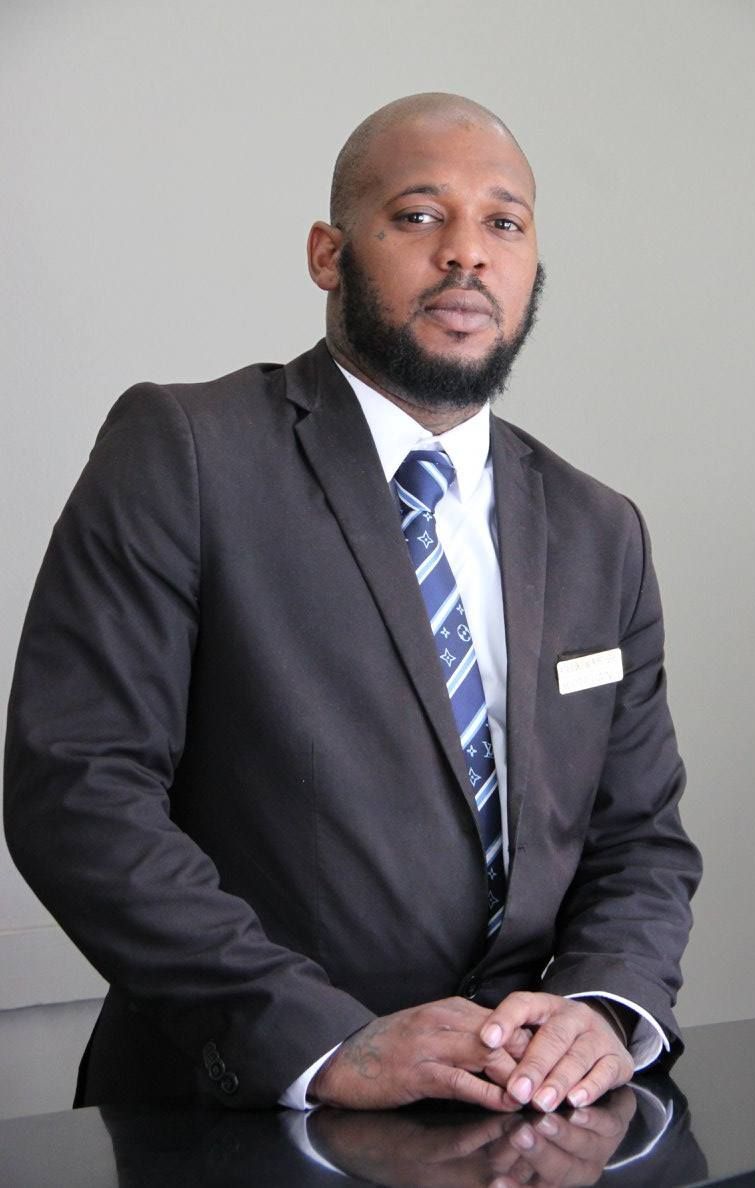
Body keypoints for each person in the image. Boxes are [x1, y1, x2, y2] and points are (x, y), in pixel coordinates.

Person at [4, 92, 701, 1117]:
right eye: (420, 216)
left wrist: (604, 1006)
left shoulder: (604, 530)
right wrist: (320, 1044)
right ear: (329, 253)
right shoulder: (188, 453)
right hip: (246, 1113)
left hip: (522, 1118)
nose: (468, 253)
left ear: (533, 268)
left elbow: (639, 836)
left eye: (503, 222)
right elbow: (79, 788)